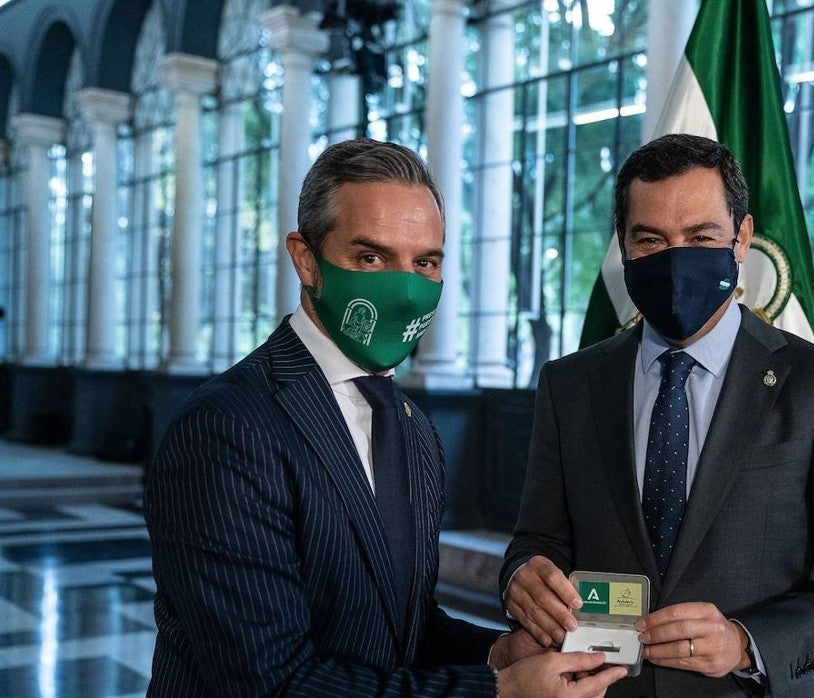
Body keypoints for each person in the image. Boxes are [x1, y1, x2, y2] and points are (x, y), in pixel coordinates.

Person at [145, 138, 626, 697]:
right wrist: (501, 693)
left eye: (425, 262)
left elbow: (400, 629)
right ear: (306, 259)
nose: (403, 288)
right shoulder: (227, 427)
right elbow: (271, 682)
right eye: (371, 257)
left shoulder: (414, 430)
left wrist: (498, 653)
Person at [500, 134, 814, 697]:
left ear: (741, 238)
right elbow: (535, 542)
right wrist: (520, 576)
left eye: (700, 236)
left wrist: (746, 642)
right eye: (650, 241)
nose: (674, 261)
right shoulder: (570, 383)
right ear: (623, 245)